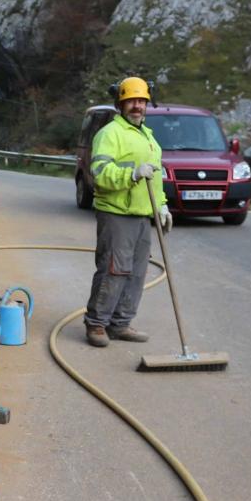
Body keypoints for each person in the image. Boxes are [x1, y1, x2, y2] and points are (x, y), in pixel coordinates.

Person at [83, 76, 172, 348]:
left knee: (136, 272)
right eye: (131, 101)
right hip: (116, 212)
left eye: (141, 101)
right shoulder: (110, 134)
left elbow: (154, 180)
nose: (137, 106)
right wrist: (132, 174)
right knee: (114, 269)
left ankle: (121, 323)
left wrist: (162, 204)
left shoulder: (148, 137)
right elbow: (99, 173)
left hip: (143, 213)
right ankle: (97, 324)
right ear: (120, 104)